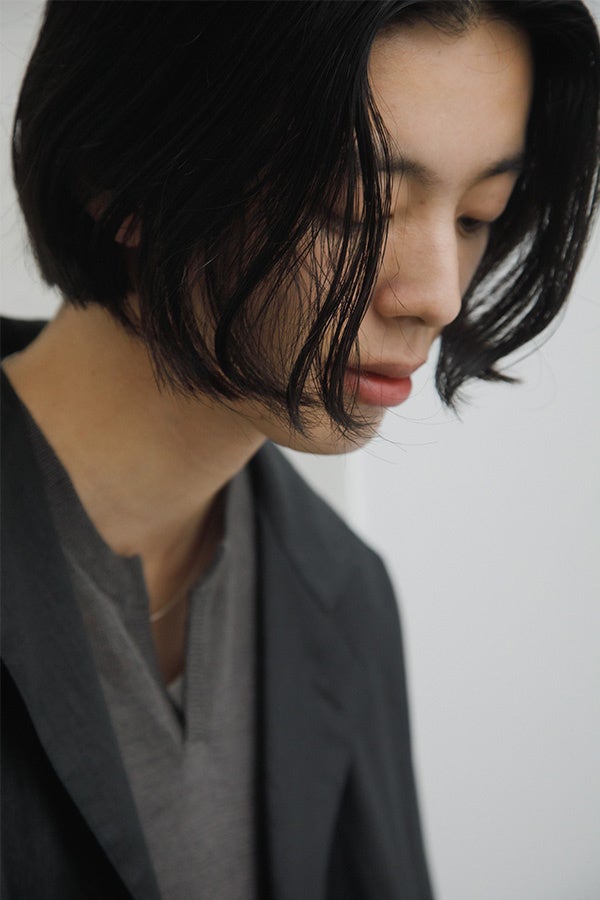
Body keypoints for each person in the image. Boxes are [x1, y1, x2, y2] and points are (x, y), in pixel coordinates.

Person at [1, 1, 598, 898]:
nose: (438, 295)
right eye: (358, 205)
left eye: (478, 215)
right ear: (119, 174)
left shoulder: (345, 600)